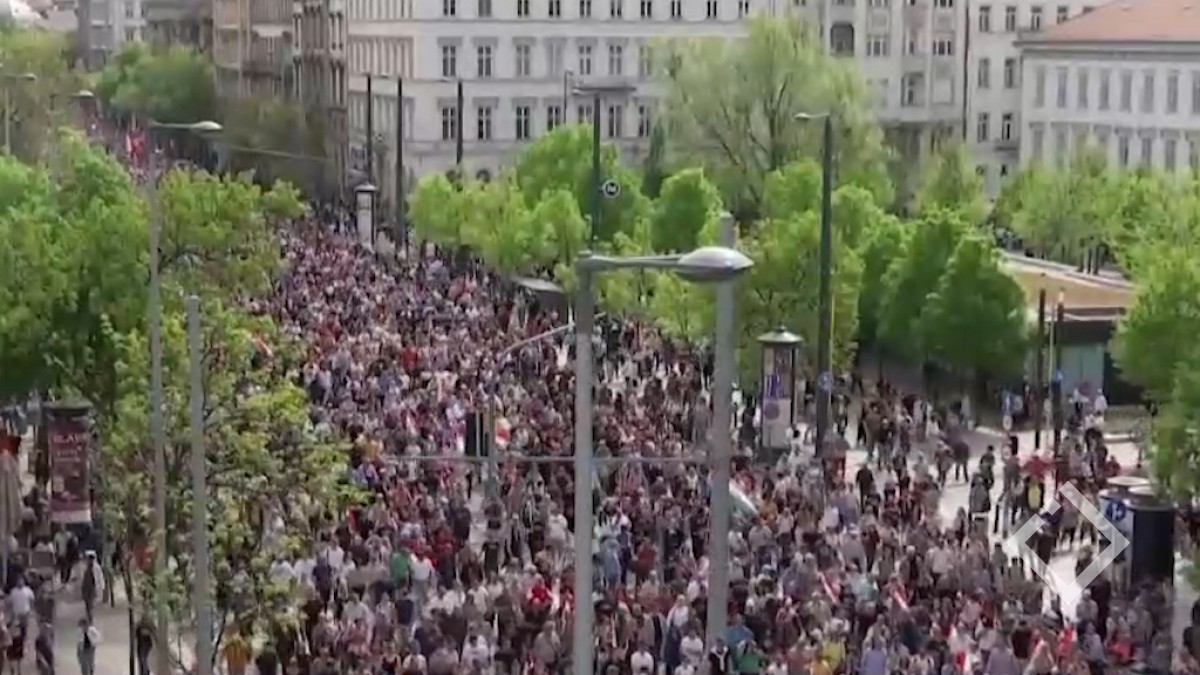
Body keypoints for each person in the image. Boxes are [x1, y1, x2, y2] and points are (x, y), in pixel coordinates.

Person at [80, 550, 104, 623]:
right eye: (88, 558)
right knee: (87, 605)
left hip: (92, 588)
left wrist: (101, 587)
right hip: (86, 588)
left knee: (90, 605)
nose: (89, 560)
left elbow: (100, 577)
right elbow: (82, 578)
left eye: (91, 558)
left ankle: (91, 619)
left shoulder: (96, 568)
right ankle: (89, 618)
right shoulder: (84, 567)